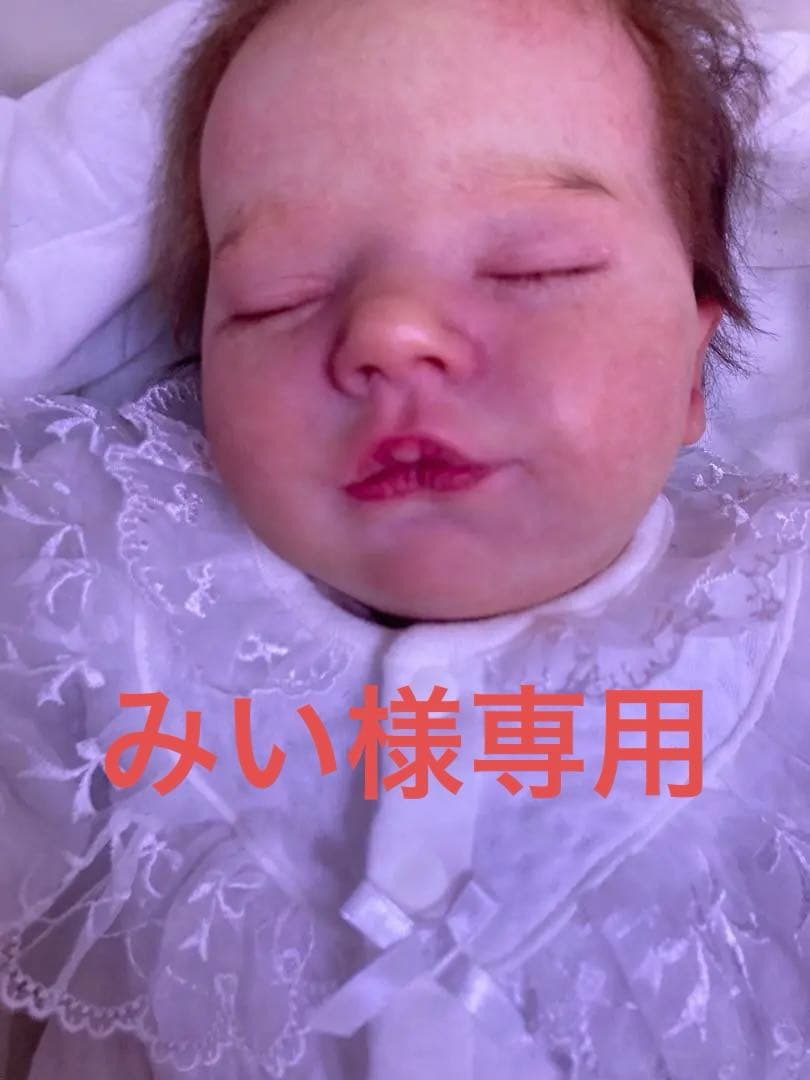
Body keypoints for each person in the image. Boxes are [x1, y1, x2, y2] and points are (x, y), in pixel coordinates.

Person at [2, 0, 809, 1076]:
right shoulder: (94, 592)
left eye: (533, 270)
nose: (388, 332)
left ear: (695, 371)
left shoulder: (782, 630)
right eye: (278, 297)